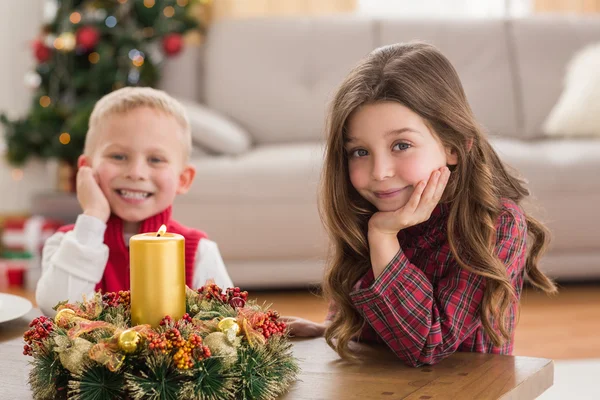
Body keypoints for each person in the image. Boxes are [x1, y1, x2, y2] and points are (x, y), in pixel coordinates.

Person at [283, 42, 557, 367]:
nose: (379, 173)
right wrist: (329, 329)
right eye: (360, 151)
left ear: (454, 146)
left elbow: (428, 345)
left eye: (402, 145)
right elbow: (375, 325)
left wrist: (384, 239)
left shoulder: (494, 223)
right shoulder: (371, 210)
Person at [36, 87, 233, 316]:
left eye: (156, 159)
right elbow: (57, 310)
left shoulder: (198, 252)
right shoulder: (67, 244)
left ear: (183, 179)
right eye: (118, 156)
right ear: (86, 170)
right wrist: (94, 214)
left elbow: (226, 327)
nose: (136, 172)